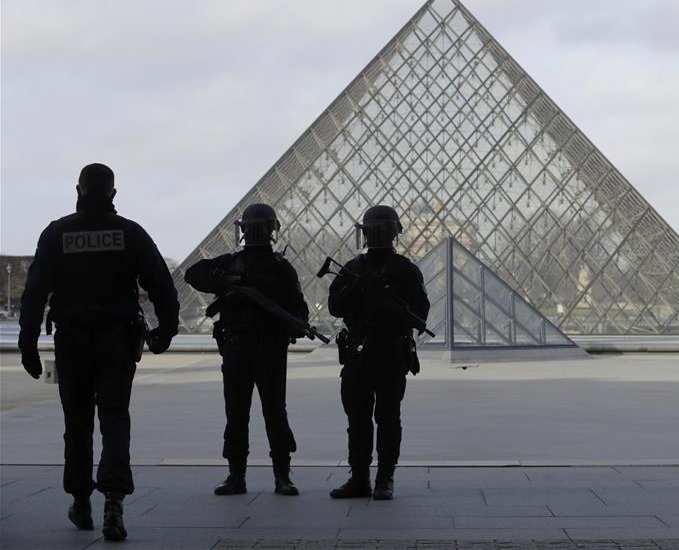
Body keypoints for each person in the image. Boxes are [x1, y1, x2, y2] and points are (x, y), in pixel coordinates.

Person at [18, 163, 179, 542]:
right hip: (116, 340)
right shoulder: (131, 233)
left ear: (78, 189)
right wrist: (165, 331)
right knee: (114, 419)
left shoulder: (57, 233)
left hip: (72, 340)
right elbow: (161, 285)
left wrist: (27, 343)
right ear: (113, 194)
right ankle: (114, 502)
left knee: (76, 423)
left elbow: (35, 292)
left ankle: (81, 500)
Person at [184, 203, 308, 497]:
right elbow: (194, 274)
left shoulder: (250, 264)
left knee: (247, 413)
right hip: (251, 348)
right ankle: (273, 476)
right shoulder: (248, 265)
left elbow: (296, 309)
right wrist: (229, 287)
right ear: (273, 229)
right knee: (264, 412)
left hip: (251, 348)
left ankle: (243, 475)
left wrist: (297, 323)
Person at [327, 205, 429, 500]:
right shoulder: (353, 271)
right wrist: (357, 291)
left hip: (390, 350)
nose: (379, 235)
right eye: (377, 230)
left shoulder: (405, 271)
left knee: (385, 416)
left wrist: (390, 303)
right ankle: (361, 478)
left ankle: (384, 477)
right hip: (360, 351)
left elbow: (420, 315)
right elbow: (335, 306)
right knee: (359, 417)